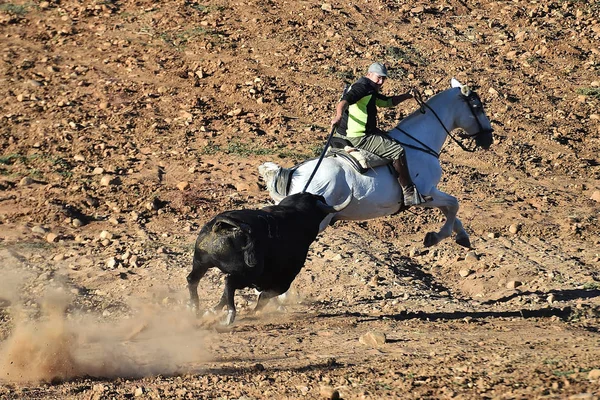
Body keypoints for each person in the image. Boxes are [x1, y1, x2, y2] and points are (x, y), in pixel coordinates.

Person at [330, 62, 425, 206]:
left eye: (383, 79)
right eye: (378, 78)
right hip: (359, 137)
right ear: (369, 74)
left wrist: (407, 95)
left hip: (349, 134)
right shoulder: (361, 87)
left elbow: (385, 102)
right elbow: (344, 101)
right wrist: (338, 115)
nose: (380, 82)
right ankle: (409, 193)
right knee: (397, 150)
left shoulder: (370, 89)